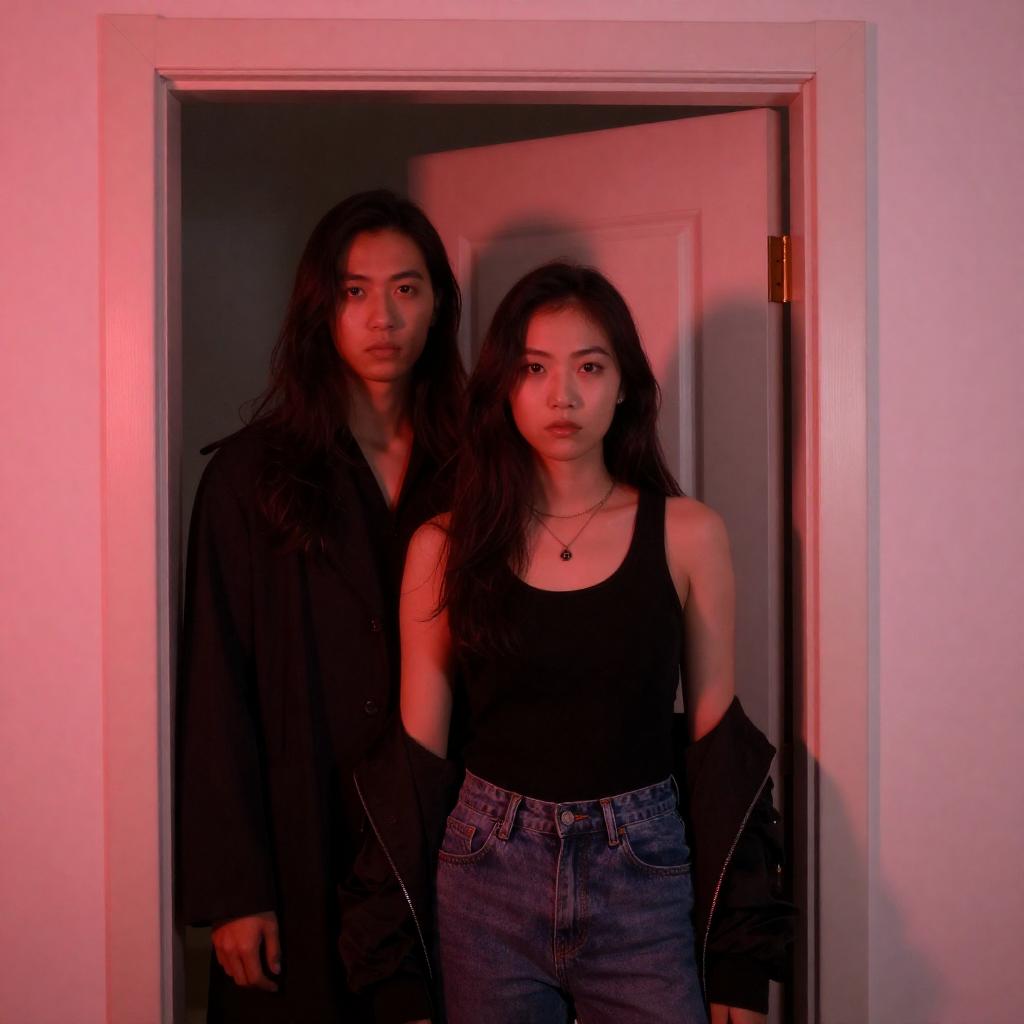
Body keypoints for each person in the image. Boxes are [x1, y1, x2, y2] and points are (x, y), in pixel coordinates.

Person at [341, 262, 794, 1023]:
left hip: (645, 875)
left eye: (589, 367)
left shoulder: (688, 535)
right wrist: (396, 976)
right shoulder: (443, 548)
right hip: (485, 876)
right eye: (534, 369)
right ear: (503, 389)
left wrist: (740, 964)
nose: (563, 396)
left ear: (624, 387)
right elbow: (412, 770)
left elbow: (723, 754)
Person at [176, 188, 464, 1024]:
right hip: (298, 843)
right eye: (354, 291)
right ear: (320, 308)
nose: (384, 317)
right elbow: (214, 689)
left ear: (438, 304)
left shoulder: (480, 472)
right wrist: (235, 891)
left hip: (445, 849)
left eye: (406, 288)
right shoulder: (248, 478)